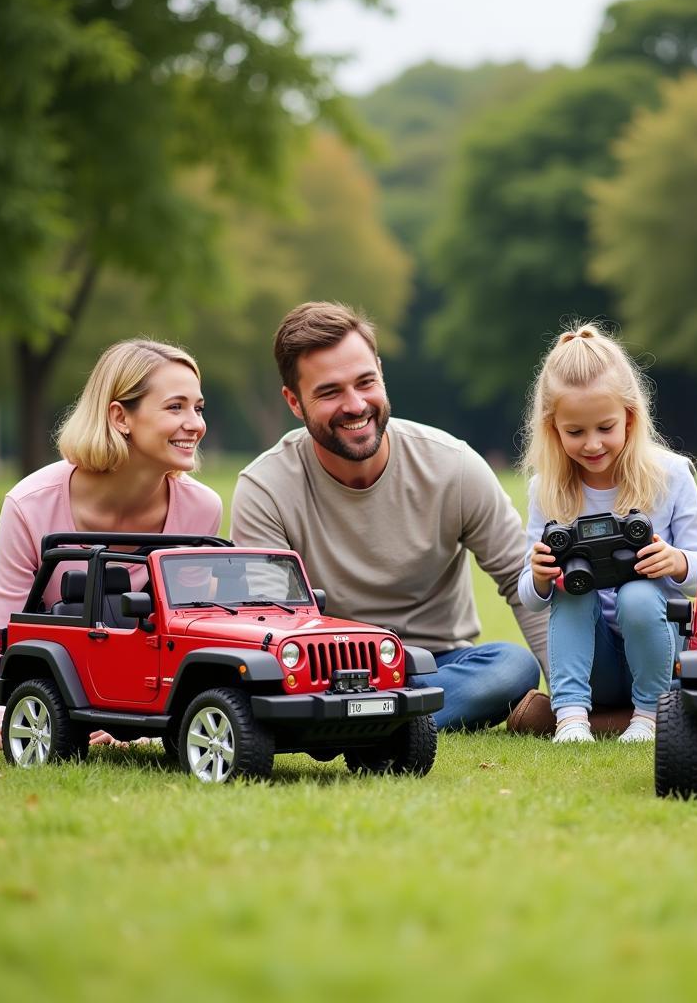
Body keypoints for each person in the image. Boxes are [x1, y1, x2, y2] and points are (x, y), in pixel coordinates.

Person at [230, 301, 544, 730]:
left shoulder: (452, 465)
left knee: (511, 667)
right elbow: (272, 623)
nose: (356, 405)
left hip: (437, 664)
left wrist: (575, 703)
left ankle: (356, 723)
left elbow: (522, 579)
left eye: (365, 381)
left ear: (380, 370)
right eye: (329, 391)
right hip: (327, 670)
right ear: (294, 402)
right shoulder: (265, 487)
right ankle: (390, 719)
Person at [0, 339, 222, 749]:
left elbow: (179, 641)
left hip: (85, 655)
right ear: (119, 416)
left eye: (198, 407)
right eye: (175, 407)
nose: (195, 423)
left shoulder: (200, 510)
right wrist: (6, 716)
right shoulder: (30, 503)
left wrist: (124, 721)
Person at [517, 324, 697, 744]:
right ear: (553, 428)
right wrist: (539, 575)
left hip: (662, 653)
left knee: (638, 592)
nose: (592, 445)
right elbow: (531, 599)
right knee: (573, 590)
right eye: (575, 432)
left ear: (630, 416)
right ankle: (570, 716)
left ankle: (649, 715)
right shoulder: (546, 488)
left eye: (605, 428)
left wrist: (676, 563)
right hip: (593, 664)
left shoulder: (672, 475)